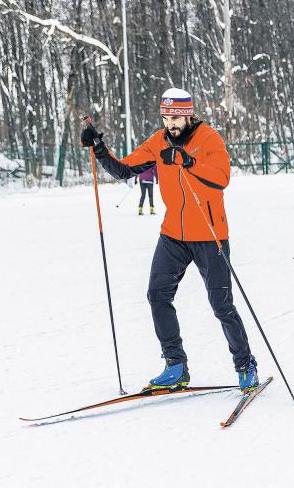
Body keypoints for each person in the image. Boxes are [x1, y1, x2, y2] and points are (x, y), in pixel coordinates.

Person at [80, 87, 259, 392]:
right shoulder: (159, 140)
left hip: (209, 234)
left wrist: (187, 161)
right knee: (157, 295)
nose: (170, 123)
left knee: (221, 304)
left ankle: (245, 365)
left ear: (189, 114)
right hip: (173, 234)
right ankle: (176, 365)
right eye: (165, 117)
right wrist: (98, 148)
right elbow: (124, 169)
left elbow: (222, 178)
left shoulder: (209, 139)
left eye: (175, 117)